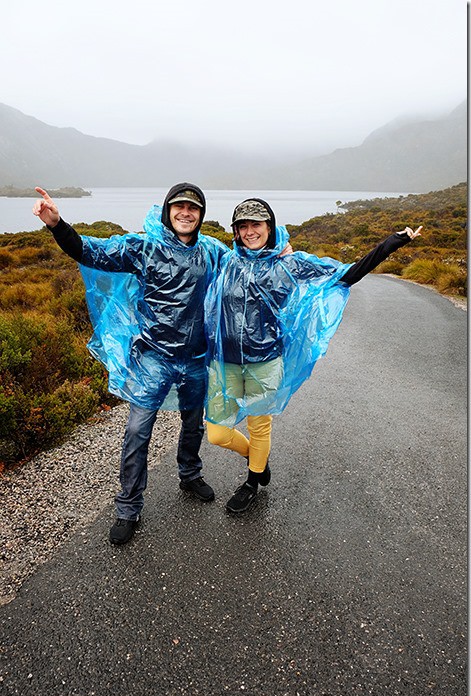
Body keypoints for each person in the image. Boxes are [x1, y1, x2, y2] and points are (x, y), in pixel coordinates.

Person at [33, 183, 228, 544]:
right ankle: (127, 507)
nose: (186, 213)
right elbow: (93, 252)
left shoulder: (212, 251)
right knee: (138, 431)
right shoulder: (145, 247)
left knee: (193, 423)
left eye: (193, 208)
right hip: (154, 357)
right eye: (179, 206)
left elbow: (242, 273)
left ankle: (189, 473)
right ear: (169, 211)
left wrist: (278, 254)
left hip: (196, 358)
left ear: (201, 215)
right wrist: (58, 225)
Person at [204, 198, 422, 513]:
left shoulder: (288, 265)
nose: (250, 231)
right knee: (217, 433)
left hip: (264, 362)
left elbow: (346, 275)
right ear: (235, 232)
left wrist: (393, 242)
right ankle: (256, 459)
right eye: (243, 226)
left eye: (257, 224)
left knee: (259, 426)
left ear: (269, 227)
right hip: (224, 363)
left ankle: (252, 481)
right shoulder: (225, 262)